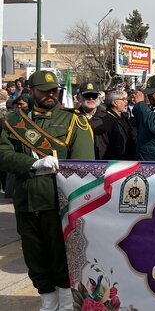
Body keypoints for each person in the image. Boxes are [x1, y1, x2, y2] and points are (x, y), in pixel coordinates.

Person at [0, 70, 94, 311]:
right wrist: (32, 164)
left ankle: (66, 304)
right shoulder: (14, 121)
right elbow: (3, 154)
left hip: (58, 201)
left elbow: (84, 165)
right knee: (35, 257)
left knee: (61, 256)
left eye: (54, 90)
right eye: (44, 91)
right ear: (31, 91)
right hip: (26, 199)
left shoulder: (74, 121)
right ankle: (48, 303)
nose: (51, 94)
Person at [101, 89, 136, 160]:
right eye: (123, 99)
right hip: (114, 160)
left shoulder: (124, 117)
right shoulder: (106, 119)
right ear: (114, 103)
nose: (126, 102)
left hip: (127, 158)